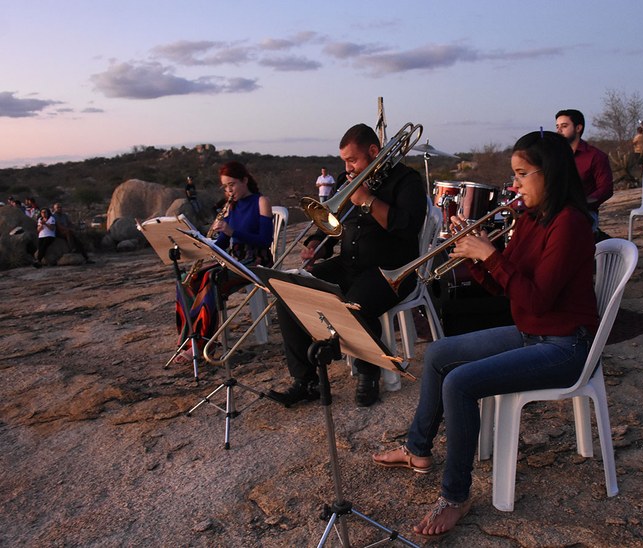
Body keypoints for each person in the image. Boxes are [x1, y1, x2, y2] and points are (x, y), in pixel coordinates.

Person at [372, 130, 599, 538]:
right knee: (438, 353)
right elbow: (502, 287)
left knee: (460, 383)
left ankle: (455, 497)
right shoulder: (529, 219)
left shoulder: (570, 225)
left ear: (550, 173)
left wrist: (490, 256)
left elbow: (537, 299)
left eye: (522, 174)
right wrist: (472, 255)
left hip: (567, 345)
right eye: (514, 175)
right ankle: (417, 449)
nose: (514, 184)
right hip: (533, 332)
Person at [266, 123, 427, 408]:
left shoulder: (407, 180)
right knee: (290, 292)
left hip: (392, 271)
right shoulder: (347, 180)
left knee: (354, 305)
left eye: (352, 160)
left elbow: (407, 227)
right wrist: (317, 243)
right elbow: (335, 225)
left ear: (374, 152)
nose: (347, 167)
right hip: (350, 264)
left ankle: (369, 373)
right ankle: (306, 381)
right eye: (344, 161)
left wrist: (368, 200)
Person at [174, 161, 274, 363]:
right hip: (235, 260)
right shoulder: (230, 207)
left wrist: (232, 230)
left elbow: (265, 239)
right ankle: (188, 339)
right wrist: (204, 242)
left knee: (211, 279)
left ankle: (203, 344)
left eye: (232, 185)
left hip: (256, 261)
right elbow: (222, 243)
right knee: (187, 279)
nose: (229, 191)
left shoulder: (261, 201)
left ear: (245, 180)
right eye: (225, 187)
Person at [555, 109, 613, 232]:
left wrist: (581, 203)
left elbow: (606, 189)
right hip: (555, 211)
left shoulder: (596, 156)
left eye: (564, 126)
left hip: (584, 213)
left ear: (578, 128)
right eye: (557, 126)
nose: (559, 130)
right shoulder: (554, 155)